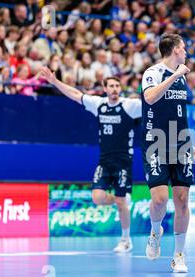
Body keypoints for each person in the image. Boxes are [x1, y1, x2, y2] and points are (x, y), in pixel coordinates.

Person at [39, 67, 141, 253]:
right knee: (98, 197)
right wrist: (55, 82)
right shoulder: (99, 104)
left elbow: (151, 104)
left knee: (120, 202)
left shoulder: (129, 105)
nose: (115, 89)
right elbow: (76, 94)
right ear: (104, 88)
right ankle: (121, 201)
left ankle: (126, 239)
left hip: (123, 162)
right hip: (105, 161)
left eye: (117, 86)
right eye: (111, 86)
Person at [141, 33, 194, 273]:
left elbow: (180, 112)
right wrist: (175, 75)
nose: (186, 51)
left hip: (180, 144)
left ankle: (179, 255)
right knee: (160, 199)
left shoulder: (183, 78)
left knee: (182, 200)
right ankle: (155, 231)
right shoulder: (153, 73)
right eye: (183, 47)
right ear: (174, 50)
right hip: (156, 143)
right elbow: (150, 98)